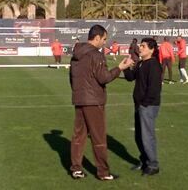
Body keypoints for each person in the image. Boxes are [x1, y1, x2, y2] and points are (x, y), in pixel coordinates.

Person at [69, 24, 133, 181]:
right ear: (96, 37)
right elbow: (104, 78)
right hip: (94, 101)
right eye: (104, 39)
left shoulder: (76, 55)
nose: (104, 42)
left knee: (79, 136)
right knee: (98, 138)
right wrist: (120, 68)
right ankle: (103, 172)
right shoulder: (96, 55)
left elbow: (72, 78)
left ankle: (76, 168)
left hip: (79, 99)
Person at [123, 38, 162, 176]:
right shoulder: (141, 63)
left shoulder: (154, 65)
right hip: (139, 105)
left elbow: (154, 88)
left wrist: (144, 103)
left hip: (148, 106)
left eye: (143, 46)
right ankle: (144, 160)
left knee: (147, 136)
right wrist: (126, 67)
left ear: (151, 49)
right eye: (140, 46)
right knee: (138, 136)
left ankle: (153, 165)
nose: (140, 48)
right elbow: (130, 77)